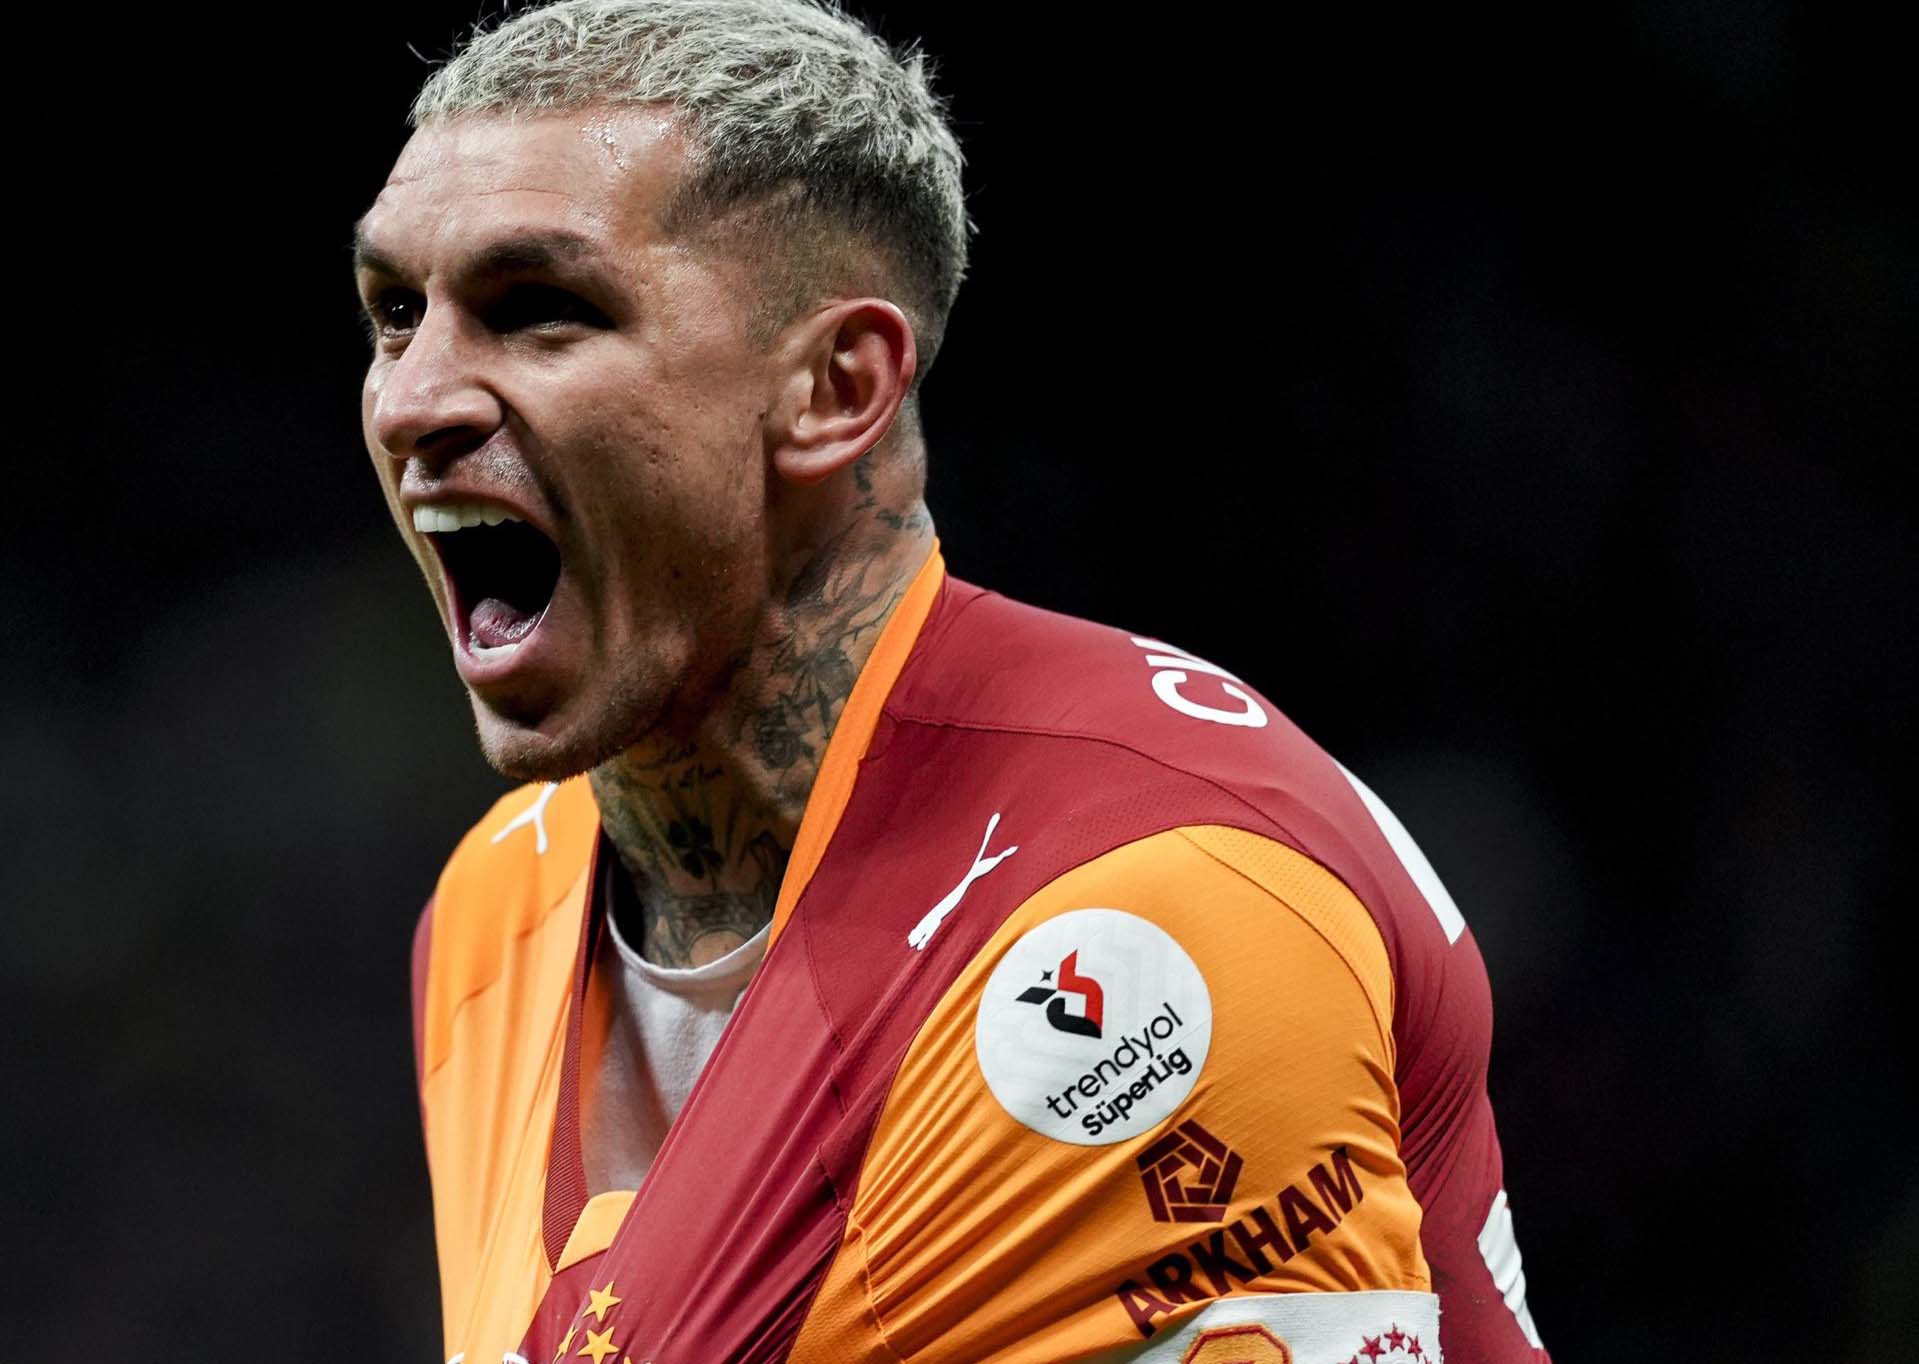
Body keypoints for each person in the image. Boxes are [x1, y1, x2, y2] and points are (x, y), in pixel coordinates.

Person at [355, 3, 1550, 1360]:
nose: (411, 401)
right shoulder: (496, 908)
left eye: (540, 313)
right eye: (395, 314)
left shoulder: (1152, 921)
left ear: (834, 387)